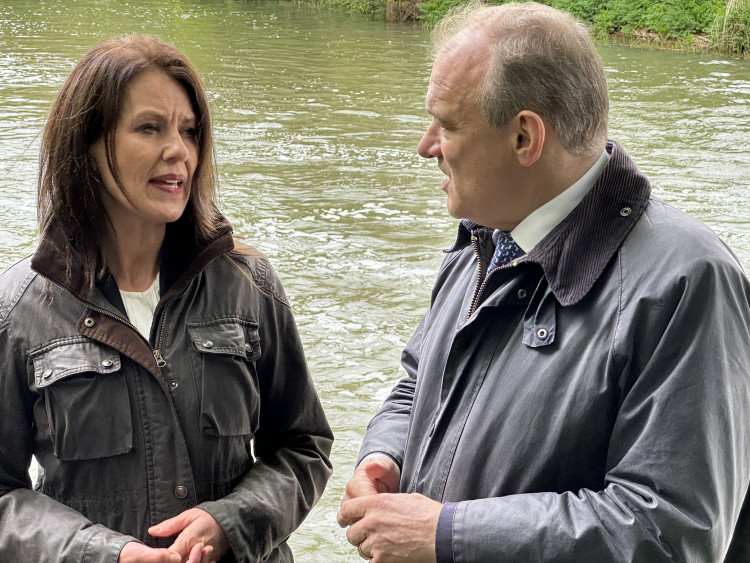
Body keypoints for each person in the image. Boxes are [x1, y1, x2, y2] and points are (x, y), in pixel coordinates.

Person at [337, 2, 750, 561]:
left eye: (448, 124)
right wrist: (383, 456)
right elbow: (417, 383)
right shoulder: (484, 237)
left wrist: (447, 535)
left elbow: (672, 532)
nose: (426, 145)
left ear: (525, 138)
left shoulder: (688, 283)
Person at [0, 35, 333, 562]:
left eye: (189, 131)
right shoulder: (19, 310)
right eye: (149, 128)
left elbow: (304, 446)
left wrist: (231, 522)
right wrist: (103, 554)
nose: (178, 151)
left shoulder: (250, 286)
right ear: (86, 143)